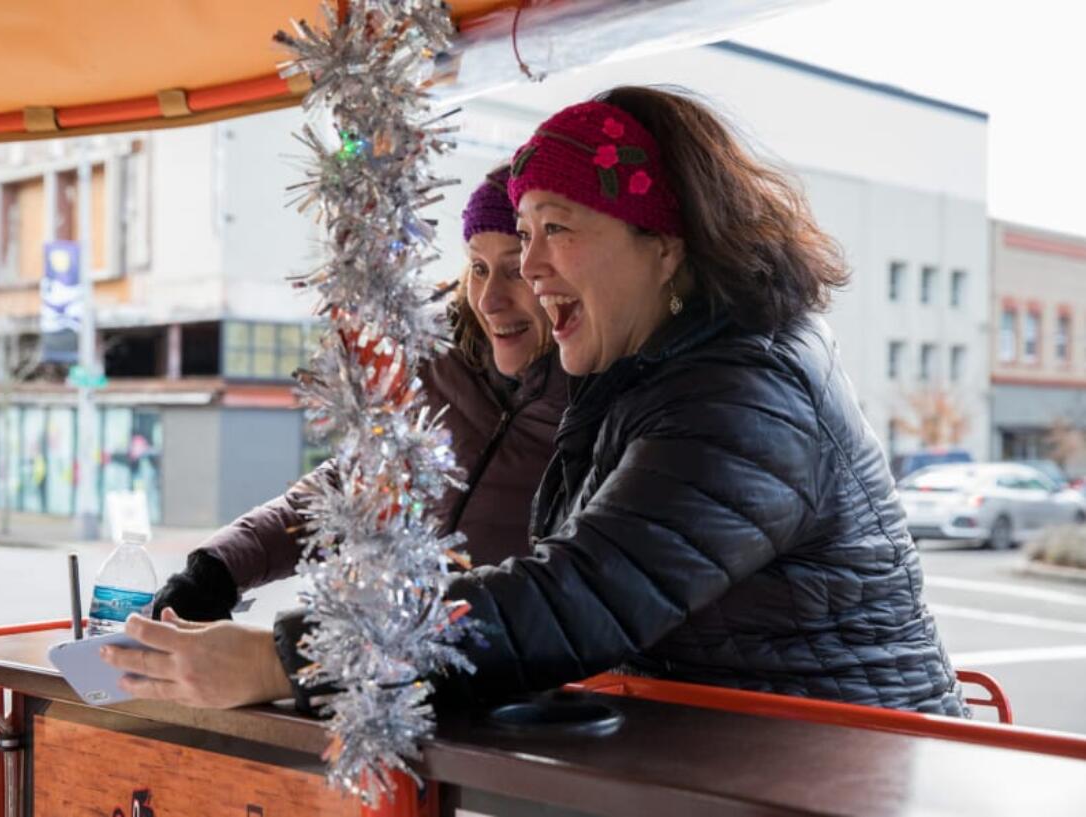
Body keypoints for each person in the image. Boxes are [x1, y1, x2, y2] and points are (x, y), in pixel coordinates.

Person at [423, 87, 965, 715]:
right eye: (525, 232)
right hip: (744, 759)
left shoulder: (749, 392)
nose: (531, 261)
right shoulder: (646, 371)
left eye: (556, 228)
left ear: (663, 245)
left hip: (849, 776)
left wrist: (324, 649)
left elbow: (583, 599)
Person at [101, 168, 567, 707]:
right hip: (391, 694)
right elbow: (349, 489)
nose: (489, 299)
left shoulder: (599, 403)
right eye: (479, 268)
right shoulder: (438, 365)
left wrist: (280, 661)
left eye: (516, 272)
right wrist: (219, 568)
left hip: (525, 702)